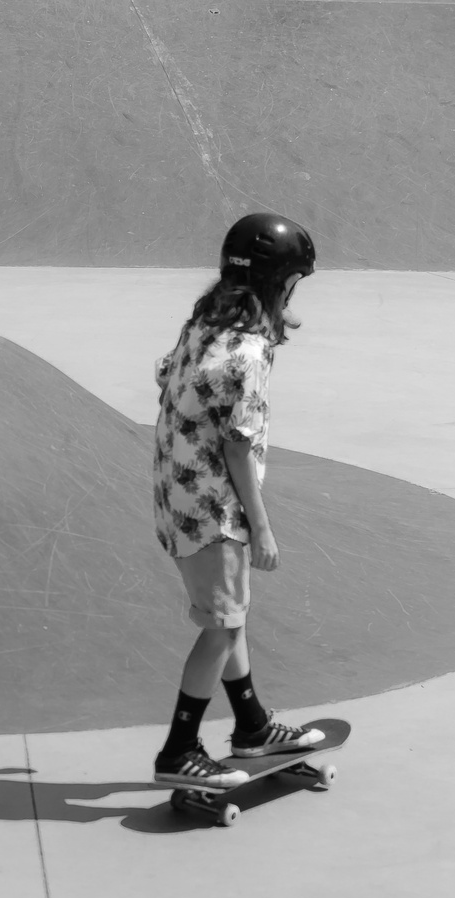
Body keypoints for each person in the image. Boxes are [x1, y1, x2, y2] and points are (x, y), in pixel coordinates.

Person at [150, 212, 323, 789]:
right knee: (221, 628)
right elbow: (237, 446)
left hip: (175, 494)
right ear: (276, 285)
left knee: (232, 617)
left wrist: (276, 308)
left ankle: (250, 727)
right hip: (213, 512)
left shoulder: (203, 323)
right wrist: (262, 527)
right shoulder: (248, 353)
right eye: (291, 284)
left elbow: (167, 377)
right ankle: (179, 751)